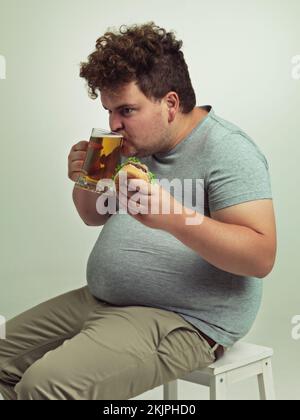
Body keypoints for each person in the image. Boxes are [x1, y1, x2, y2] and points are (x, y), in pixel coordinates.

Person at [0, 22, 277, 400]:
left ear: (170, 104)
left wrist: (174, 218)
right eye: (110, 110)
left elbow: (260, 257)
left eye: (127, 110)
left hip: (183, 320)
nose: (114, 124)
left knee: (44, 386)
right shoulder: (128, 145)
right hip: (98, 301)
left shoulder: (230, 150)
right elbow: (91, 215)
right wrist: (86, 178)